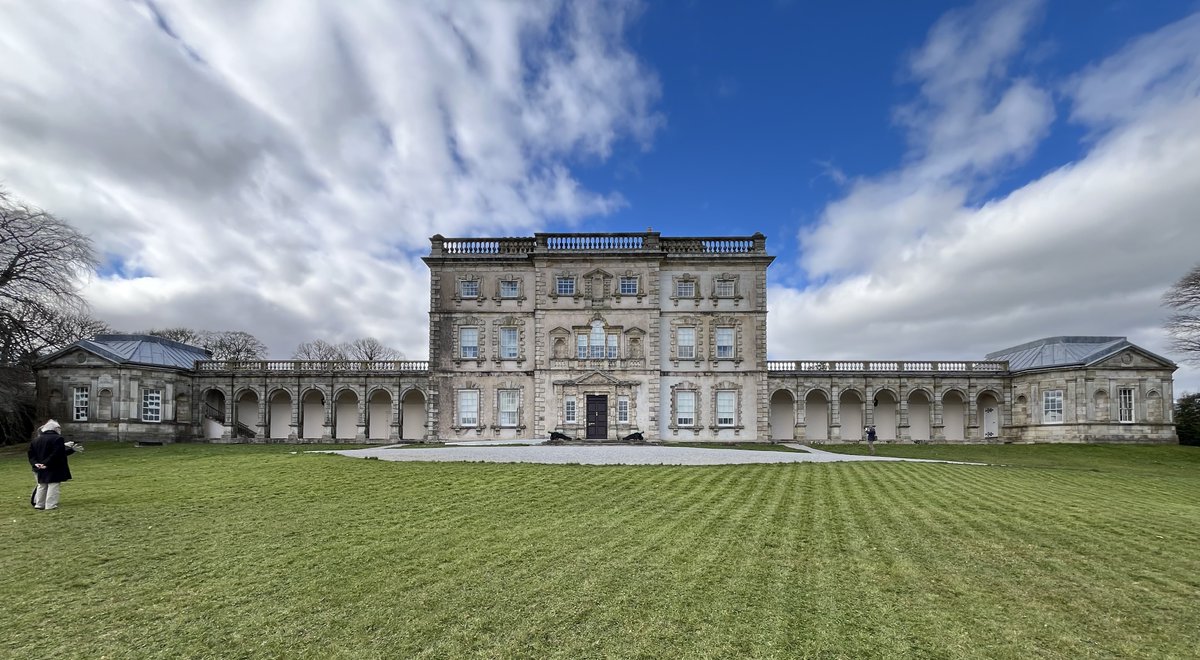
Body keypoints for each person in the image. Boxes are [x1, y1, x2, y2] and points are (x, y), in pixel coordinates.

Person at [28, 420, 78, 510]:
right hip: (54, 466)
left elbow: (31, 454)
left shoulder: (36, 440)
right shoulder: (57, 439)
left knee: (42, 485)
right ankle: (50, 505)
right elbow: (56, 454)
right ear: (56, 428)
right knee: (53, 485)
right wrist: (46, 463)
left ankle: (39, 504)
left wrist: (36, 464)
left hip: (39, 466)